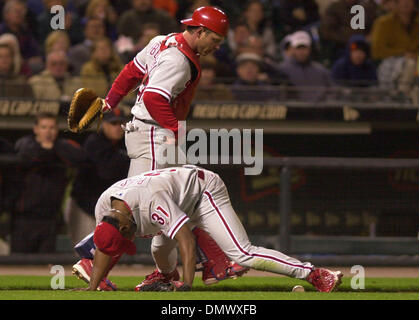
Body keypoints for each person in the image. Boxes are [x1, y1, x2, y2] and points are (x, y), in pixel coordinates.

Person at [72, 6, 248, 291]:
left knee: (170, 201)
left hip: (148, 131)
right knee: (143, 205)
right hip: (156, 135)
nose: (217, 46)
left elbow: (131, 71)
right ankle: (94, 257)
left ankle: (169, 270)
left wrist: (110, 101)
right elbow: (154, 98)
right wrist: (176, 129)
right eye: (214, 40)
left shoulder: (162, 40)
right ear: (200, 31)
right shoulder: (179, 60)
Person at [73, 166, 343, 292]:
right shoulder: (103, 210)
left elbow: (187, 241)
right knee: (158, 246)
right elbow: (107, 249)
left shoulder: (151, 204)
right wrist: (92, 287)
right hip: (174, 198)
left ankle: (314, 274)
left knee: (241, 253)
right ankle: (166, 277)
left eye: (126, 237)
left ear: (123, 224)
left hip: (202, 193)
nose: (129, 241)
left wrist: (187, 285)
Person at [11, 112, 86, 253]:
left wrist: (52, 148)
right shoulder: (26, 143)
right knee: (19, 263)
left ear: (57, 130)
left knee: (45, 265)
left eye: (51, 127)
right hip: (24, 216)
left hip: (49, 217)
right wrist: (48, 149)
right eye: (44, 127)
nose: (48, 131)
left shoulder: (61, 145)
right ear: (36, 129)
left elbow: (80, 156)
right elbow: (27, 154)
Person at [64, 109, 129, 247]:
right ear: (104, 124)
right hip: (85, 207)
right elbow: (106, 172)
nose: (118, 127)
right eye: (113, 123)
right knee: (85, 251)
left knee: (109, 251)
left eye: (121, 123)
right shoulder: (94, 143)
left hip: (108, 209)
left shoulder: (126, 143)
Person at [277, 31, 333, 102]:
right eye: (298, 48)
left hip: (319, 110)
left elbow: (332, 91)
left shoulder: (321, 70)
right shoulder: (282, 70)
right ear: (293, 49)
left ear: (310, 49)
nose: (301, 52)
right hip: (292, 110)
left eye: (304, 48)